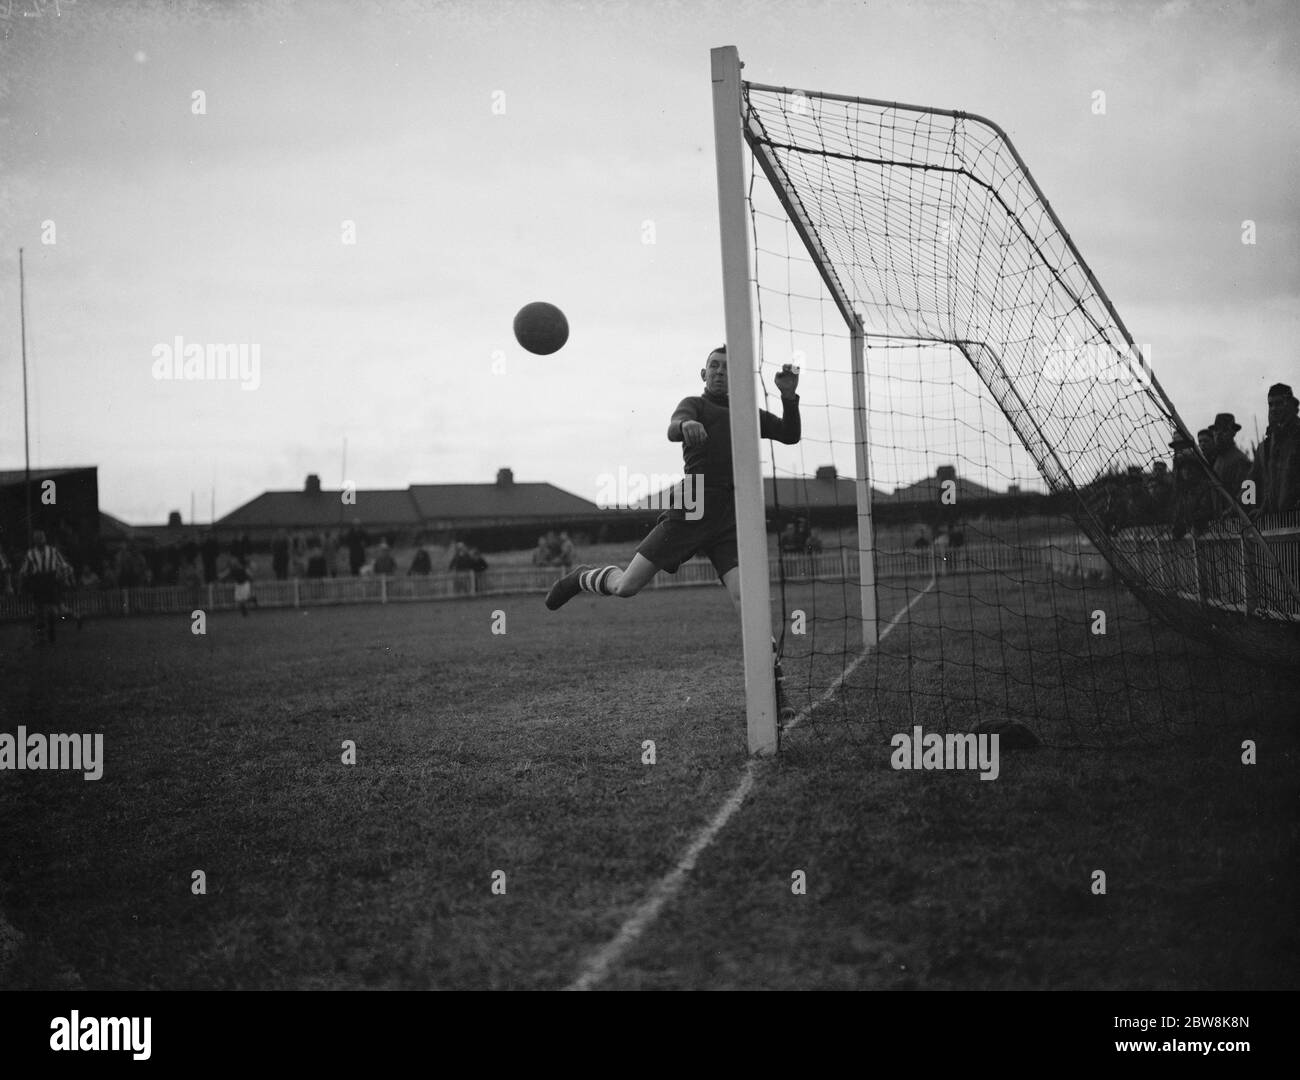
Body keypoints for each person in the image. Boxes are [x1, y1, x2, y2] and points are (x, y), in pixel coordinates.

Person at [544, 344, 802, 720]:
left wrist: (789, 397)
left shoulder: (747, 413)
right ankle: (580, 577)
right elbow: (671, 429)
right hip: (692, 507)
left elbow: (790, 435)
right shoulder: (693, 405)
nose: (718, 372)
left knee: (749, 605)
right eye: (712, 366)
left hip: (732, 516)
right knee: (626, 587)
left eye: (726, 368)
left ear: (737, 376)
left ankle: (776, 694)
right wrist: (685, 426)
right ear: (703, 374)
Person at [1250, 382, 1300, 518]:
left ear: (1290, 404)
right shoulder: (1267, 445)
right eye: (1270, 404)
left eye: (1279, 403)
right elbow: (1252, 481)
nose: (1273, 408)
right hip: (1277, 522)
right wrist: (1249, 508)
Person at [19, 530, 78, 643]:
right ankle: (41, 636)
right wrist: (23, 582)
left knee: (51, 608)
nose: (39, 540)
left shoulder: (52, 551)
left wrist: (66, 578)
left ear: (44, 539)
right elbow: (24, 570)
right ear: (34, 540)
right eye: (37, 538)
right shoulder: (31, 553)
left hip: (50, 580)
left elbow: (63, 565)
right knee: (39, 610)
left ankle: (51, 631)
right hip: (38, 581)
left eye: (41, 538)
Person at [1210, 412, 1252, 517]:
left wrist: (1231, 511)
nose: (1218, 434)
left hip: (1238, 522)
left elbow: (1248, 496)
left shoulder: (1240, 460)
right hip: (1221, 523)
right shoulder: (1217, 461)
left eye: (1224, 430)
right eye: (1216, 430)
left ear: (1233, 433)